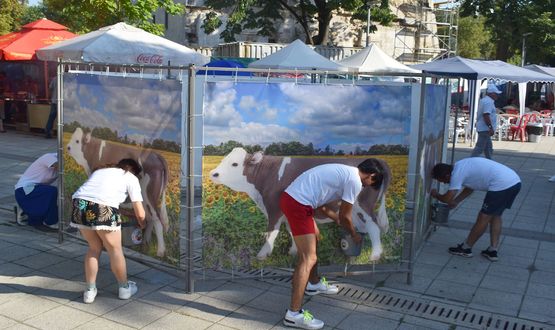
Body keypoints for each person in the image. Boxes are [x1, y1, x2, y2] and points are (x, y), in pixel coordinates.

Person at [280, 160, 384, 329]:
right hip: (298, 204)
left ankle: (313, 284)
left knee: (314, 240)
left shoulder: (346, 173)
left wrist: (336, 219)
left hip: (297, 201)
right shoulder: (355, 181)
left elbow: (322, 207)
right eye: (371, 184)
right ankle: (293, 314)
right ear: (371, 175)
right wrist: (354, 234)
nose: (366, 187)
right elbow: (345, 216)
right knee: (308, 258)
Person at [70, 158, 146, 304]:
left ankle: (89, 291)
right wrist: (143, 224)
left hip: (79, 205)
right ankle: (124, 288)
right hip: (104, 208)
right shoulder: (130, 177)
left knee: (93, 248)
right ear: (133, 170)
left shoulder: (100, 171)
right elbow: (140, 213)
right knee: (115, 250)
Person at [430, 158, 521, 262]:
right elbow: (470, 187)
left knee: (483, 217)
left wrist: (436, 194)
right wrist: (457, 201)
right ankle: (492, 250)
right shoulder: (460, 166)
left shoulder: (456, 174)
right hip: (514, 182)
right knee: (495, 215)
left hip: (501, 185)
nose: (445, 184)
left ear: (447, 175)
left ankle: (466, 248)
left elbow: (447, 199)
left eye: (443, 181)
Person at [14, 153, 58, 230]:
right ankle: (50, 222)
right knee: (51, 191)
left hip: (35, 188)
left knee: (52, 193)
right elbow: (61, 166)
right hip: (23, 190)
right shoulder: (50, 157)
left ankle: (26, 211)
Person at [471, 84, 502, 159]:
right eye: (496, 94)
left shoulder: (485, 100)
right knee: (480, 148)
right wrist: (490, 127)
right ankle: (470, 161)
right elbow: (486, 115)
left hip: (484, 128)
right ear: (491, 94)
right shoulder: (488, 102)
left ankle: (489, 161)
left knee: (488, 148)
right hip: (485, 129)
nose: (497, 95)